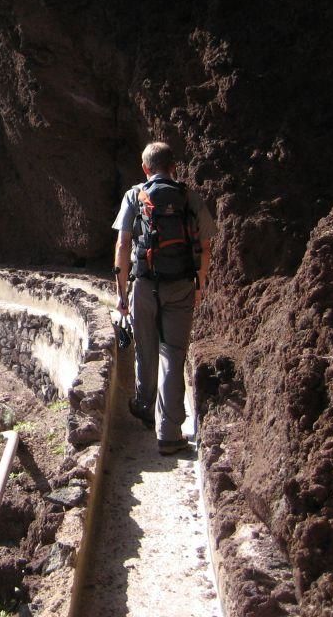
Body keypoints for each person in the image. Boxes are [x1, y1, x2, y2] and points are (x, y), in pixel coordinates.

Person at [112, 142, 217, 455]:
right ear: (174, 167)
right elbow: (207, 246)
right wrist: (199, 285)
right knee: (173, 354)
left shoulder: (135, 196)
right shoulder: (188, 196)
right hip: (182, 285)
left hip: (144, 286)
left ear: (145, 168)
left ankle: (146, 408)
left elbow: (122, 246)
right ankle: (169, 433)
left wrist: (121, 293)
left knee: (145, 349)